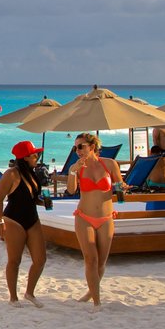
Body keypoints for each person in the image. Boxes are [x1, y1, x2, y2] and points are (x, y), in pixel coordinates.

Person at [65, 132, 125, 311]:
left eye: (81, 146)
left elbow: (119, 187)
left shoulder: (109, 164)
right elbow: (70, 190)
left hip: (106, 218)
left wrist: (123, 188)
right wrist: (72, 171)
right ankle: (97, 302)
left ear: (92, 147)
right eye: (75, 148)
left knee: (101, 263)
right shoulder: (77, 167)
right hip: (84, 217)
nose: (78, 151)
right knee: (90, 260)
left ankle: (90, 292)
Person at [0, 141, 47, 308]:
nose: (36, 157)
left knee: (40, 259)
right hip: (13, 219)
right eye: (33, 155)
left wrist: (43, 202)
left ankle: (29, 292)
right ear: (25, 158)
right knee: (14, 260)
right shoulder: (11, 174)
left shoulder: (33, 174)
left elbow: (32, 198)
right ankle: (13, 297)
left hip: (32, 218)